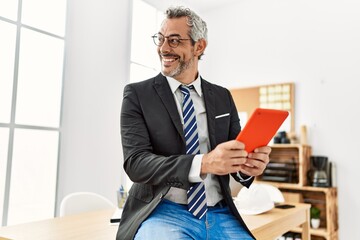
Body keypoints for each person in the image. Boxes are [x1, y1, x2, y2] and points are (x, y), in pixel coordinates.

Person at [116, 6, 271, 240]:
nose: (164, 48)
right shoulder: (137, 94)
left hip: (220, 212)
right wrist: (204, 163)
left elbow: (235, 154)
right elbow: (136, 164)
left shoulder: (222, 97)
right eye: (161, 39)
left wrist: (248, 167)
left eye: (175, 40)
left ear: (199, 46)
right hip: (163, 212)